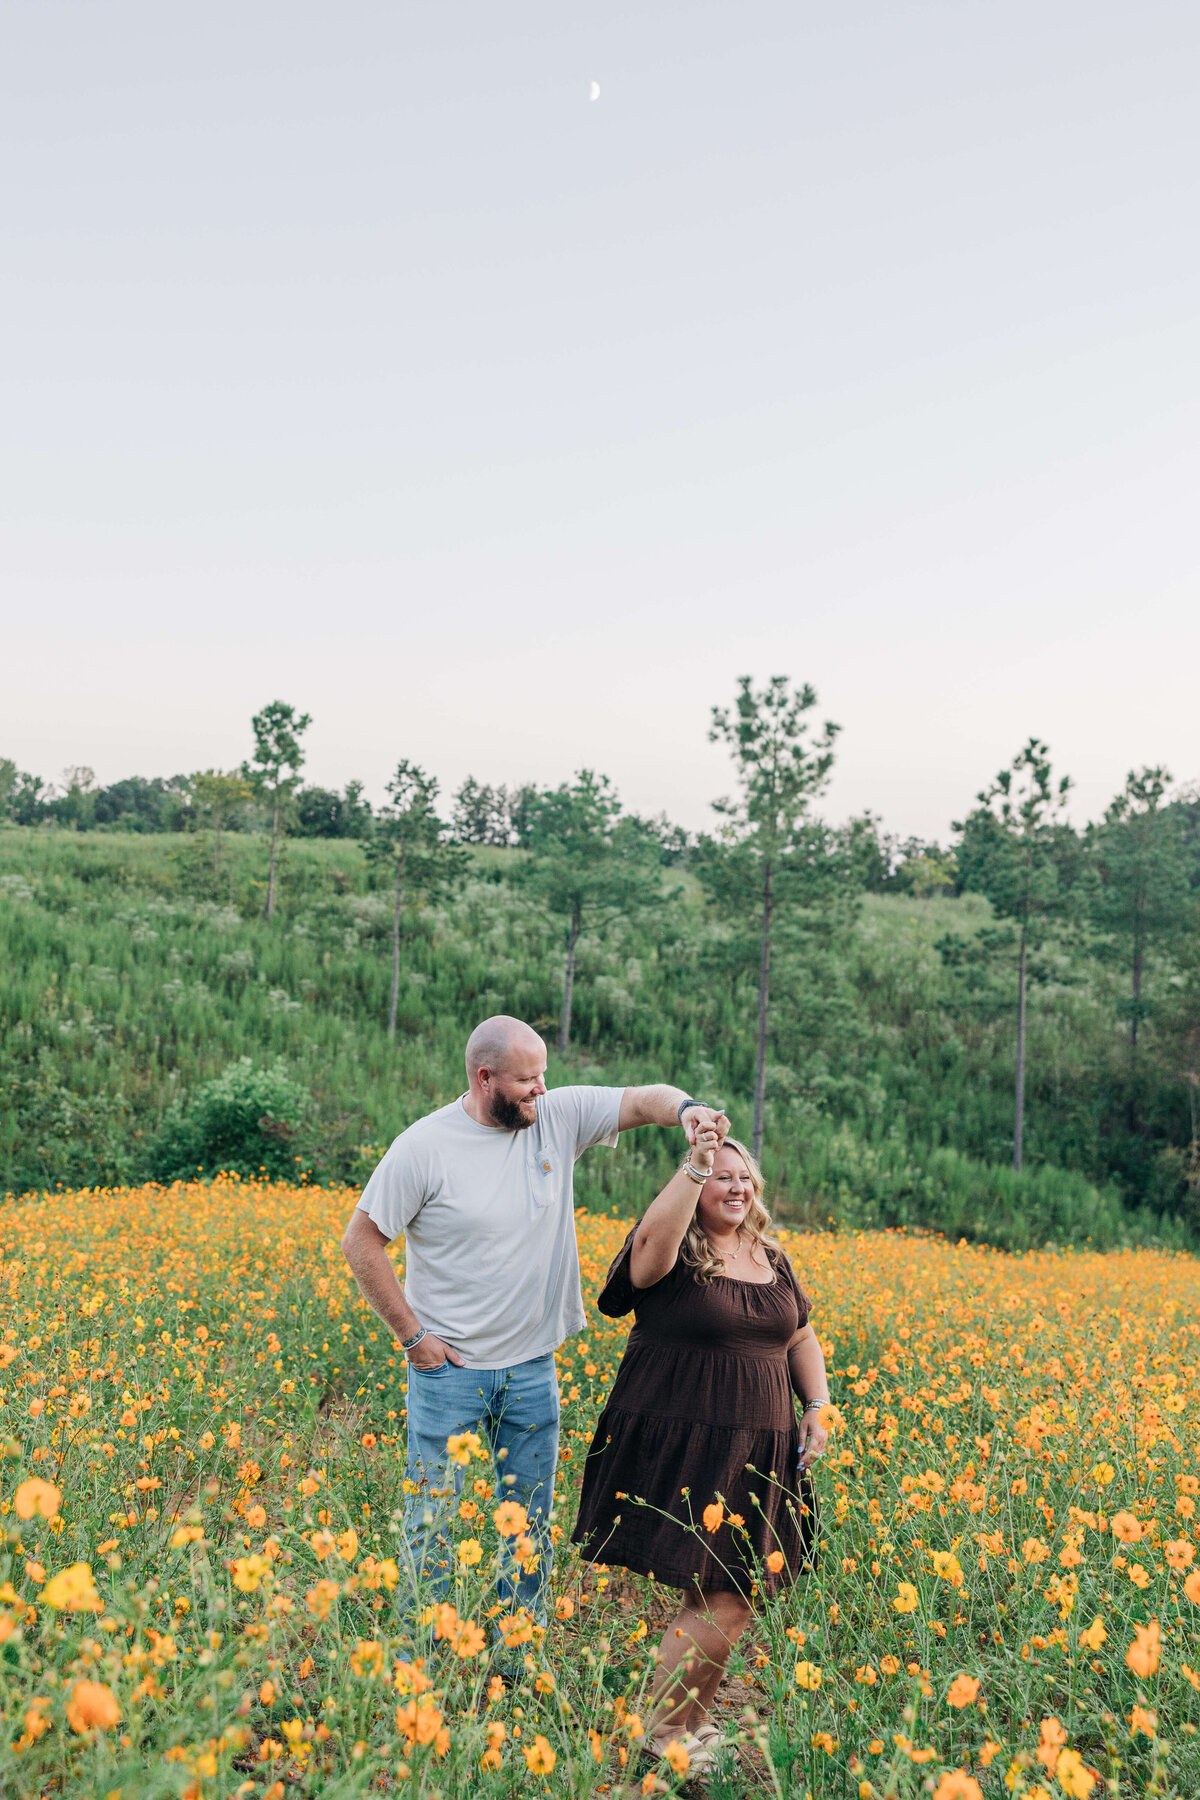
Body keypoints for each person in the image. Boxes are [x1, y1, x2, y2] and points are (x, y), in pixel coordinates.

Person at [340, 1013, 728, 1630]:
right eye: (526, 1080)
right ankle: (425, 1662)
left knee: (529, 1523)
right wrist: (413, 1338)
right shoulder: (424, 1147)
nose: (540, 1090)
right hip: (450, 1374)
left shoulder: (556, 1115)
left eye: (544, 1075)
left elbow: (641, 1100)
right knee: (432, 1525)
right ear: (484, 1077)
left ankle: (516, 1659)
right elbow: (361, 1243)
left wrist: (688, 1110)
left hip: (530, 1369)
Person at [571, 1121, 829, 1777]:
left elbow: (800, 1336)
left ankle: (690, 1724)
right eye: (722, 1175)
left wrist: (820, 1406)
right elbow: (639, 1266)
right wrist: (696, 1159)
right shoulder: (672, 1252)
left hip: (761, 1446)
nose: (736, 1184)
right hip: (688, 1438)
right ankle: (662, 1732)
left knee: (729, 1589)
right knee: (728, 1593)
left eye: (744, 1176)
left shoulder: (770, 1257)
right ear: (695, 1186)